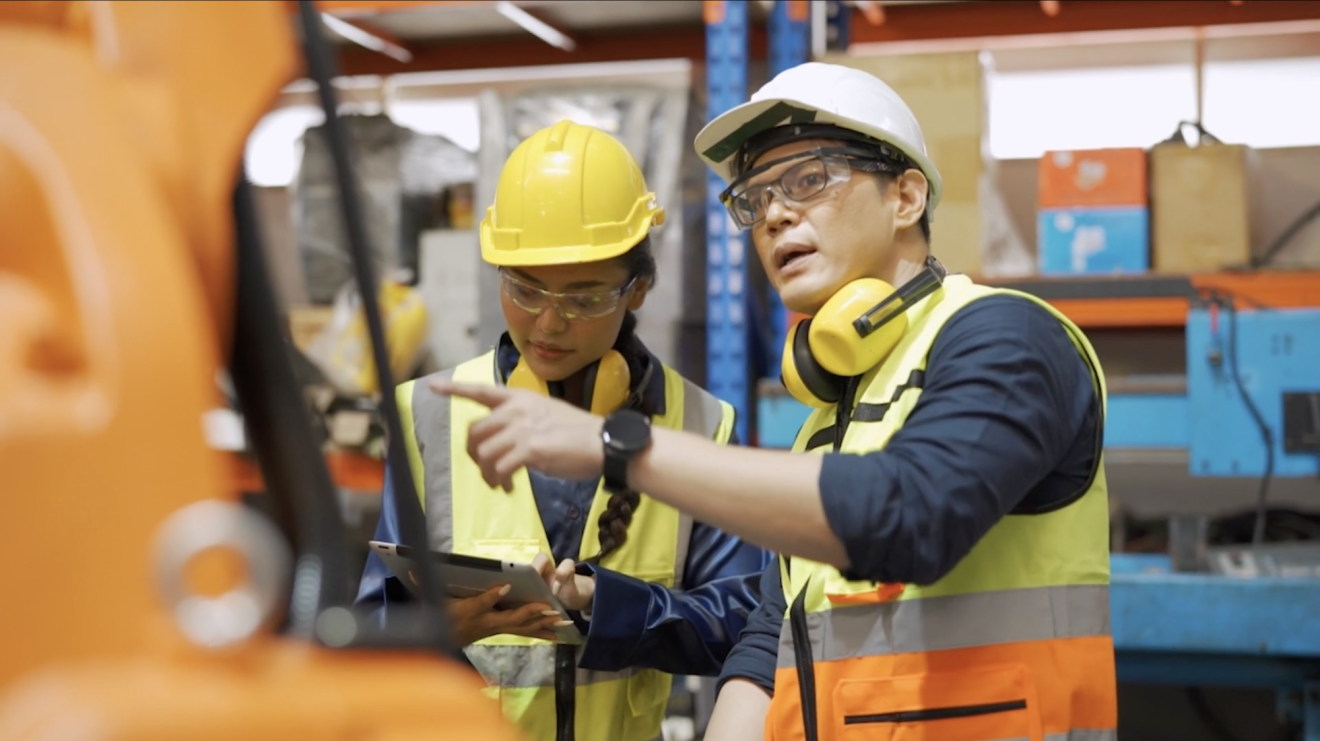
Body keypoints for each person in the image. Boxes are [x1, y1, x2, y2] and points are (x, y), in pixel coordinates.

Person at [431, 61, 1118, 741]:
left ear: (906, 196)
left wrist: (619, 447)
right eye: (755, 199)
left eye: (810, 179)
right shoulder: (830, 420)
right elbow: (770, 639)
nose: (775, 213)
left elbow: (915, 513)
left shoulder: (1010, 335)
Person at [355, 120, 771, 741]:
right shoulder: (426, 415)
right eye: (524, 288)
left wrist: (601, 604)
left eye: (585, 298)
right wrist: (440, 630)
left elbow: (741, 622)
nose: (548, 323)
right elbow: (368, 635)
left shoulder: (702, 425)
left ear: (639, 290)